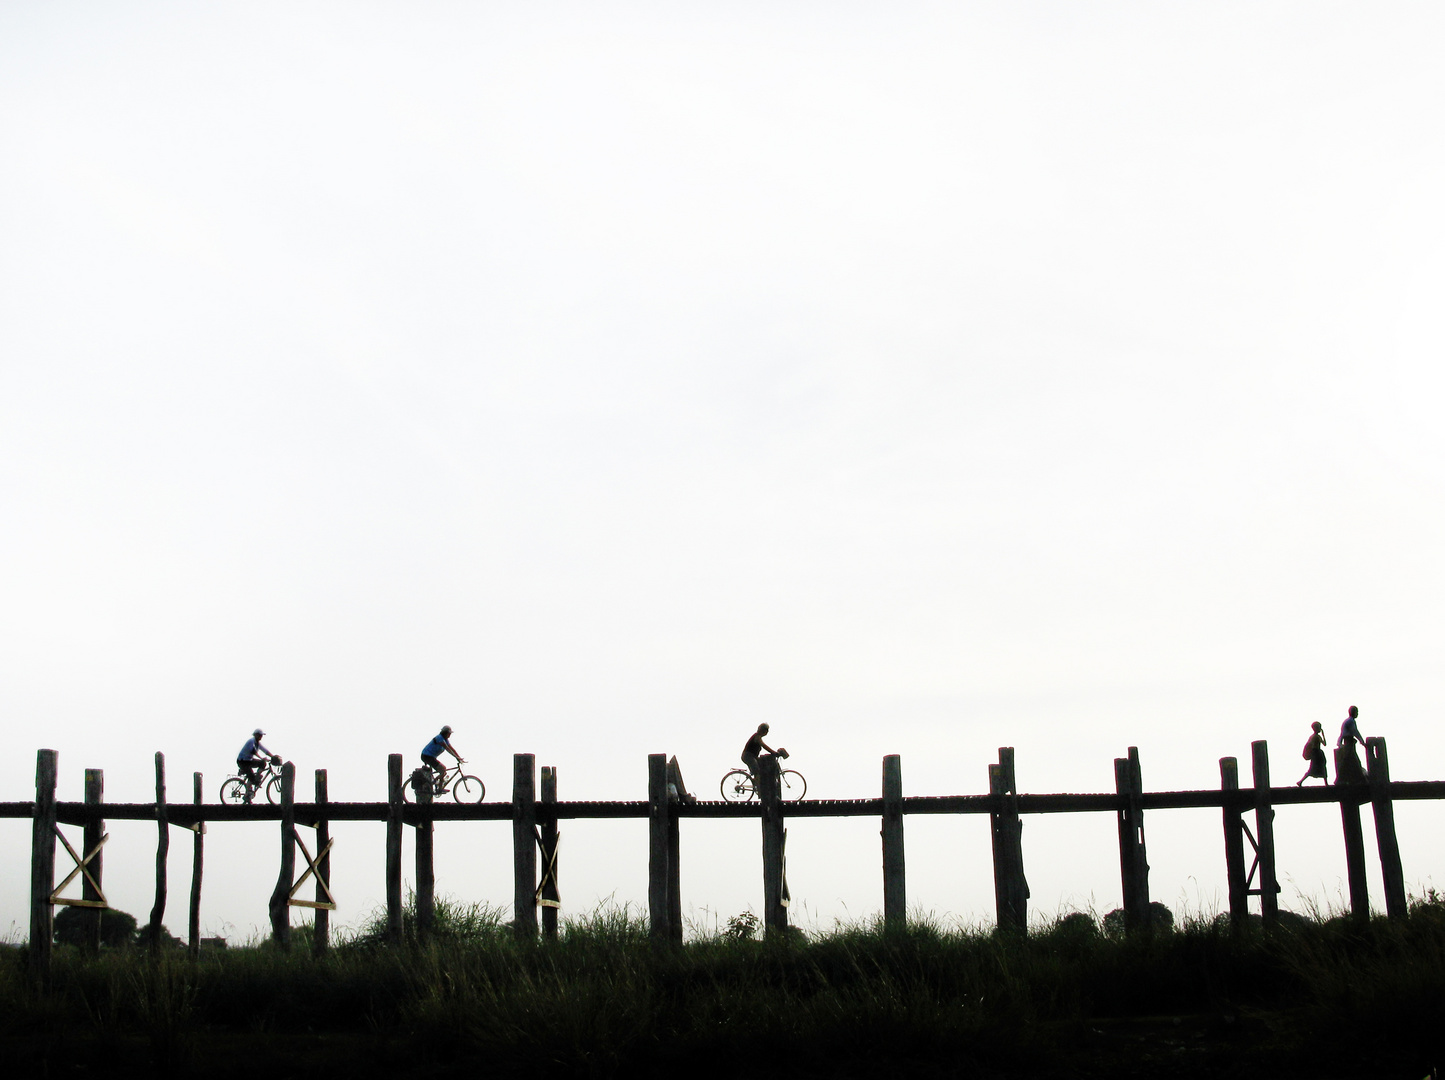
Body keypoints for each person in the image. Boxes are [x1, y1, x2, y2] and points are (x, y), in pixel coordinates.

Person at [421, 725, 461, 793]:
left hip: (431, 757)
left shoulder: (445, 740)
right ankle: (440, 789)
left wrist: (459, 757)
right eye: (449, 733)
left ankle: (435, 782)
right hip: (426, 756)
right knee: (443, 769)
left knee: (443, 772)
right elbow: (447, 749)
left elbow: (452, 749)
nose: (450, 735)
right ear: (445, 733)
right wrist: (456, 757)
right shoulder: (439, 738)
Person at [1334, 705, 1367, 785]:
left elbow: (1342, 733)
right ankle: (1359, 779)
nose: (1357, 714)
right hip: (1349, 742)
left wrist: (1339, 742)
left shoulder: (1347, 721)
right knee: (1350, 760)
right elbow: (1355, 732)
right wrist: (1362, 742)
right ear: (1353, 712)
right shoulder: (1351, 721)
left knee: (1352, 760)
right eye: (1357, 712)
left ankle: (1359, 778)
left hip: (1348, 742)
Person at [236, 729, 275, 793]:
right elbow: (253, 751)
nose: (261, 737)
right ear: (256, 735)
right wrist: (261, 758)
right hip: (242, 761)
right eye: (260, 735)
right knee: (252, 778)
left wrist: (273, 757)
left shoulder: (258, 743)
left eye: (261, 735)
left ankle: (257, 777)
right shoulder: (251, 741)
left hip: (248, 760)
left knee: (262, 763)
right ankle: (247, 794)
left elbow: (265, 751)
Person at [1296, 721, 1328, 786]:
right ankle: (1300, 781)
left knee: (1321, 768)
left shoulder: (1315, 736)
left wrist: (1323, 734)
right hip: (1316, 754)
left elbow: (1324, 744)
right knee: (1314, 769)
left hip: (1317, 753)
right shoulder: (1315, 737)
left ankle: (1326, 783)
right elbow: (1322, 744)